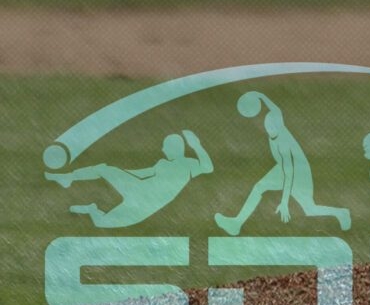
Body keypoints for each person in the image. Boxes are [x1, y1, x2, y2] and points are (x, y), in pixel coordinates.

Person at [215, 90, 352, 233]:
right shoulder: (276, 123)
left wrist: (284, 202)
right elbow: (275, 109)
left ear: (279, 125)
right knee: (259, 187)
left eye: (273, 125)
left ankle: (341, 213)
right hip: (285, 167)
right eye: (268, 125)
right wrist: (261, 96)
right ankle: (236, 223)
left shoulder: (283, 144)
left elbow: (289, 173)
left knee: (310, 209)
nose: (270, 127)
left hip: (299, 172)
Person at [49, 130, 214, 228]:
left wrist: (196, 145)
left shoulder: (188, 164)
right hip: (139, 190)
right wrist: (120, 174)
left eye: (166, 146)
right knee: (103, 169)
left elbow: (208, 167)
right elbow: (143, 173)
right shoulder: (162, 163)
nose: (163, 150)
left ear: (175, 148)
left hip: (147, 204)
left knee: (103, 222)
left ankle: (91, 209)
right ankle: (68, 178)